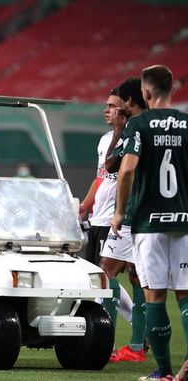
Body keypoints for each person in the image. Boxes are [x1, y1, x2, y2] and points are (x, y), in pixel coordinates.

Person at [112, 65, 188, 381]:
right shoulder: (186, 123)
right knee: (185, 296)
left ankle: (164, 372)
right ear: (174, 88)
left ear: (145, 92)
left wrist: (119, 211)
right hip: (184, 220)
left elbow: (127, 170)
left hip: (149, 221)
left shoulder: (139, 124)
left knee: (155, 295)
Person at [100, 77, 149, 363]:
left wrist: (121, 128)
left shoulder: (134, 127)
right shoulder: (166, 124)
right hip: (153, 214)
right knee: (138, 278)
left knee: (104, 273)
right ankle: (138, 346)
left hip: (129, 214)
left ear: (128, 104)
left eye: (116, 107)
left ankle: (103, 344)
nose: (112, 111)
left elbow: (112, 165)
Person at [79, 87, 127, 266]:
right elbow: (100, 178)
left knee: (108, 272)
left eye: (112, 106)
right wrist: (85, 206)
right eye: (106, 106)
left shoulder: (131, 138)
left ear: (125, 109)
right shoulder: (105, 139)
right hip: (95, 219)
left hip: (112, 220)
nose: (106, 110)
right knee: (95, 273)